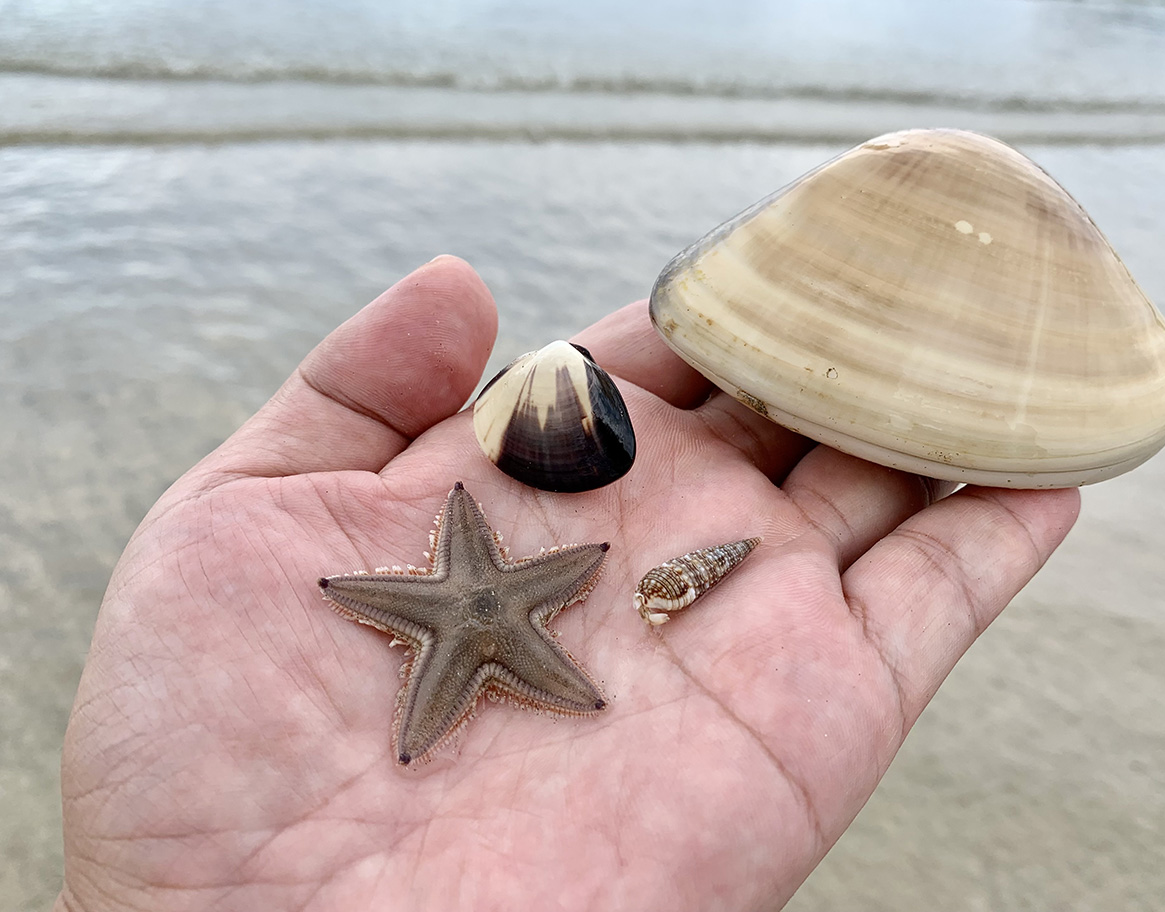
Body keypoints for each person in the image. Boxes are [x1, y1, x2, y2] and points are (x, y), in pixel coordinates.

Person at [56, 256, 1079, 912]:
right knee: (472, 613)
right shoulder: (461, 586)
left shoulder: (500, 577)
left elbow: (499, 566)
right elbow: (466, 569)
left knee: (477, 610)